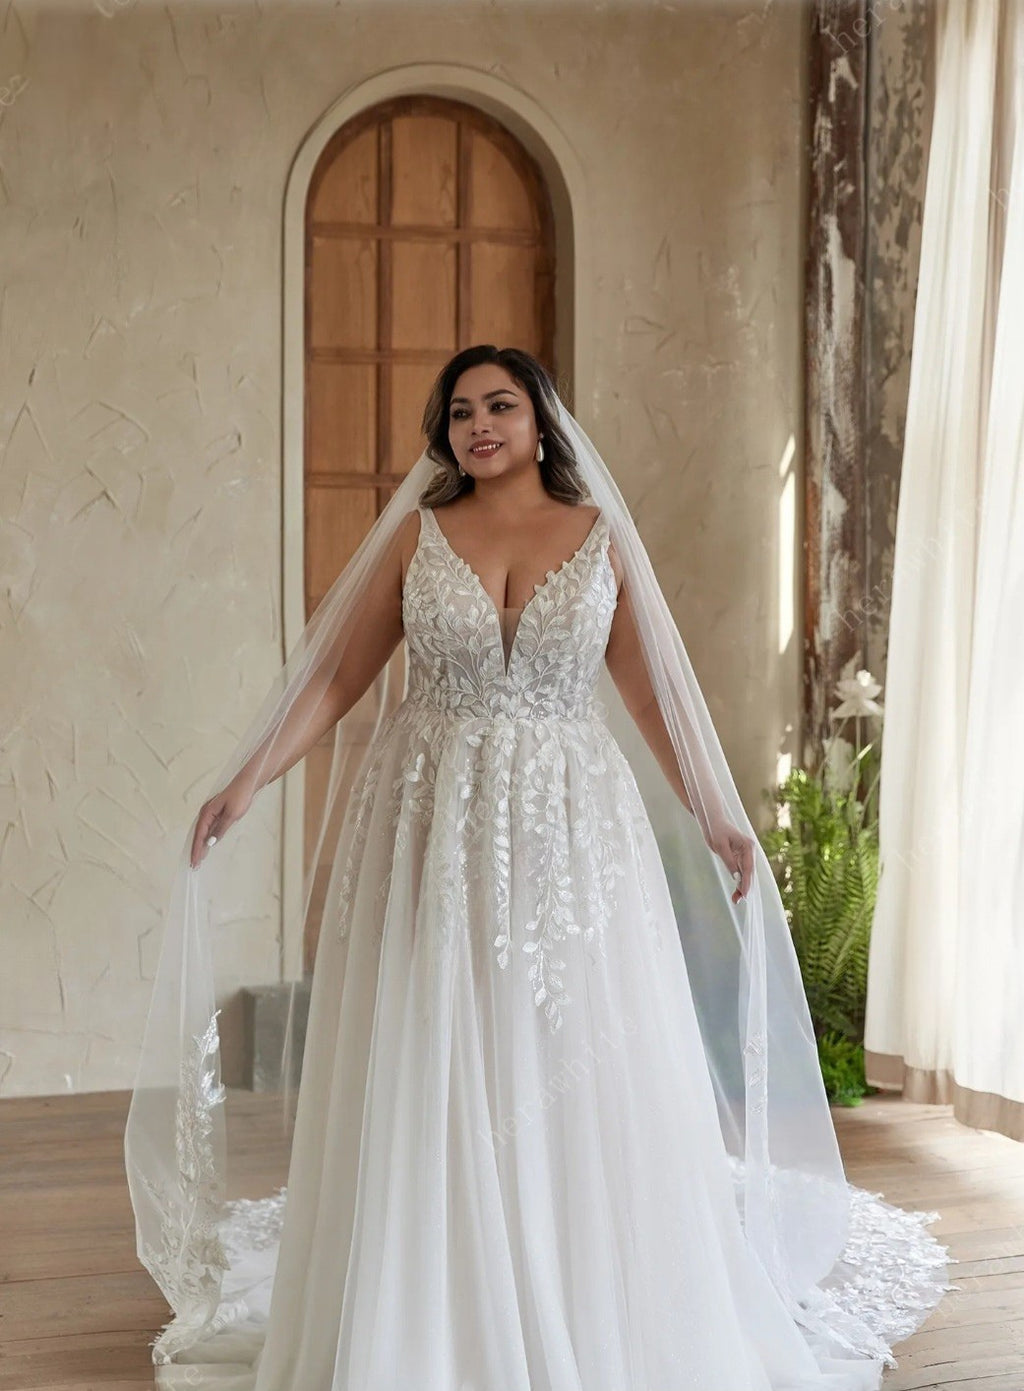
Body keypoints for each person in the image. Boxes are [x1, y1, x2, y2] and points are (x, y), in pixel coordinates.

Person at [125, 346, 949, 1390]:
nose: (478, 424)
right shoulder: (420, 537)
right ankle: (432, 1302)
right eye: (460, 410)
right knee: (438, 1029)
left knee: (561, 1036)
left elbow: (651, 698)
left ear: (542, 420)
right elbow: (339, 678)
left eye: (499, 405)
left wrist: (717, 816)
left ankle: (574, 1284)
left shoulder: (599, 538)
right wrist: (247, 779)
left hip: (568, 826)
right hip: (432, 819)